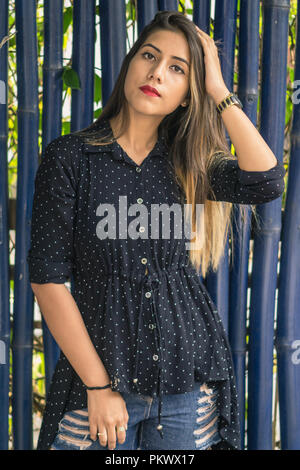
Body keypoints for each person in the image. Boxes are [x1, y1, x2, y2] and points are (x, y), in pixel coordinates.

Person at [27, 11, 286, 451]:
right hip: (101, 382)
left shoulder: (191, 163)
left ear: (188, 93)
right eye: (149, 56)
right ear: (130, 64)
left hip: (187, 380)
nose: (156, 73)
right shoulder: (71, 158)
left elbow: (265, 180)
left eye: (177, 68)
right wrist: (97, 387)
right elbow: (47, 279)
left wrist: (218, 90)